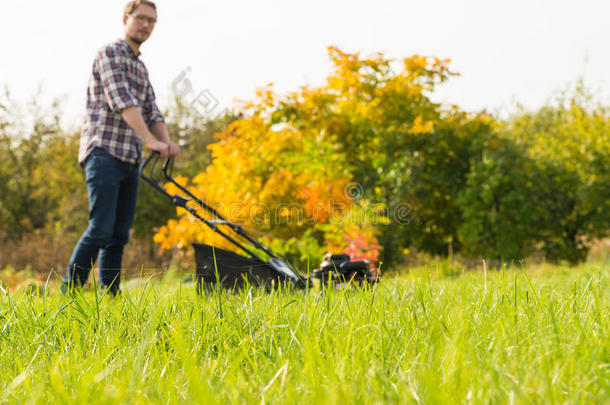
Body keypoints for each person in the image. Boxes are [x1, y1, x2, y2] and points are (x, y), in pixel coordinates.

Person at [63, 0, 179, 295]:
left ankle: (110, 298)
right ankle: (69, 293)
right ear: (125, 18)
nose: (146, 25)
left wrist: (165, 141)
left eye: (151, 21)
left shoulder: (140, 67)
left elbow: (152, 111)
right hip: (103, 152)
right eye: (140, 18)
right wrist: (150, 141)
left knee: (119, 236)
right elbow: (122, 100)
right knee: (100, 229)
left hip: (129, 159)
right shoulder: (109, 53)